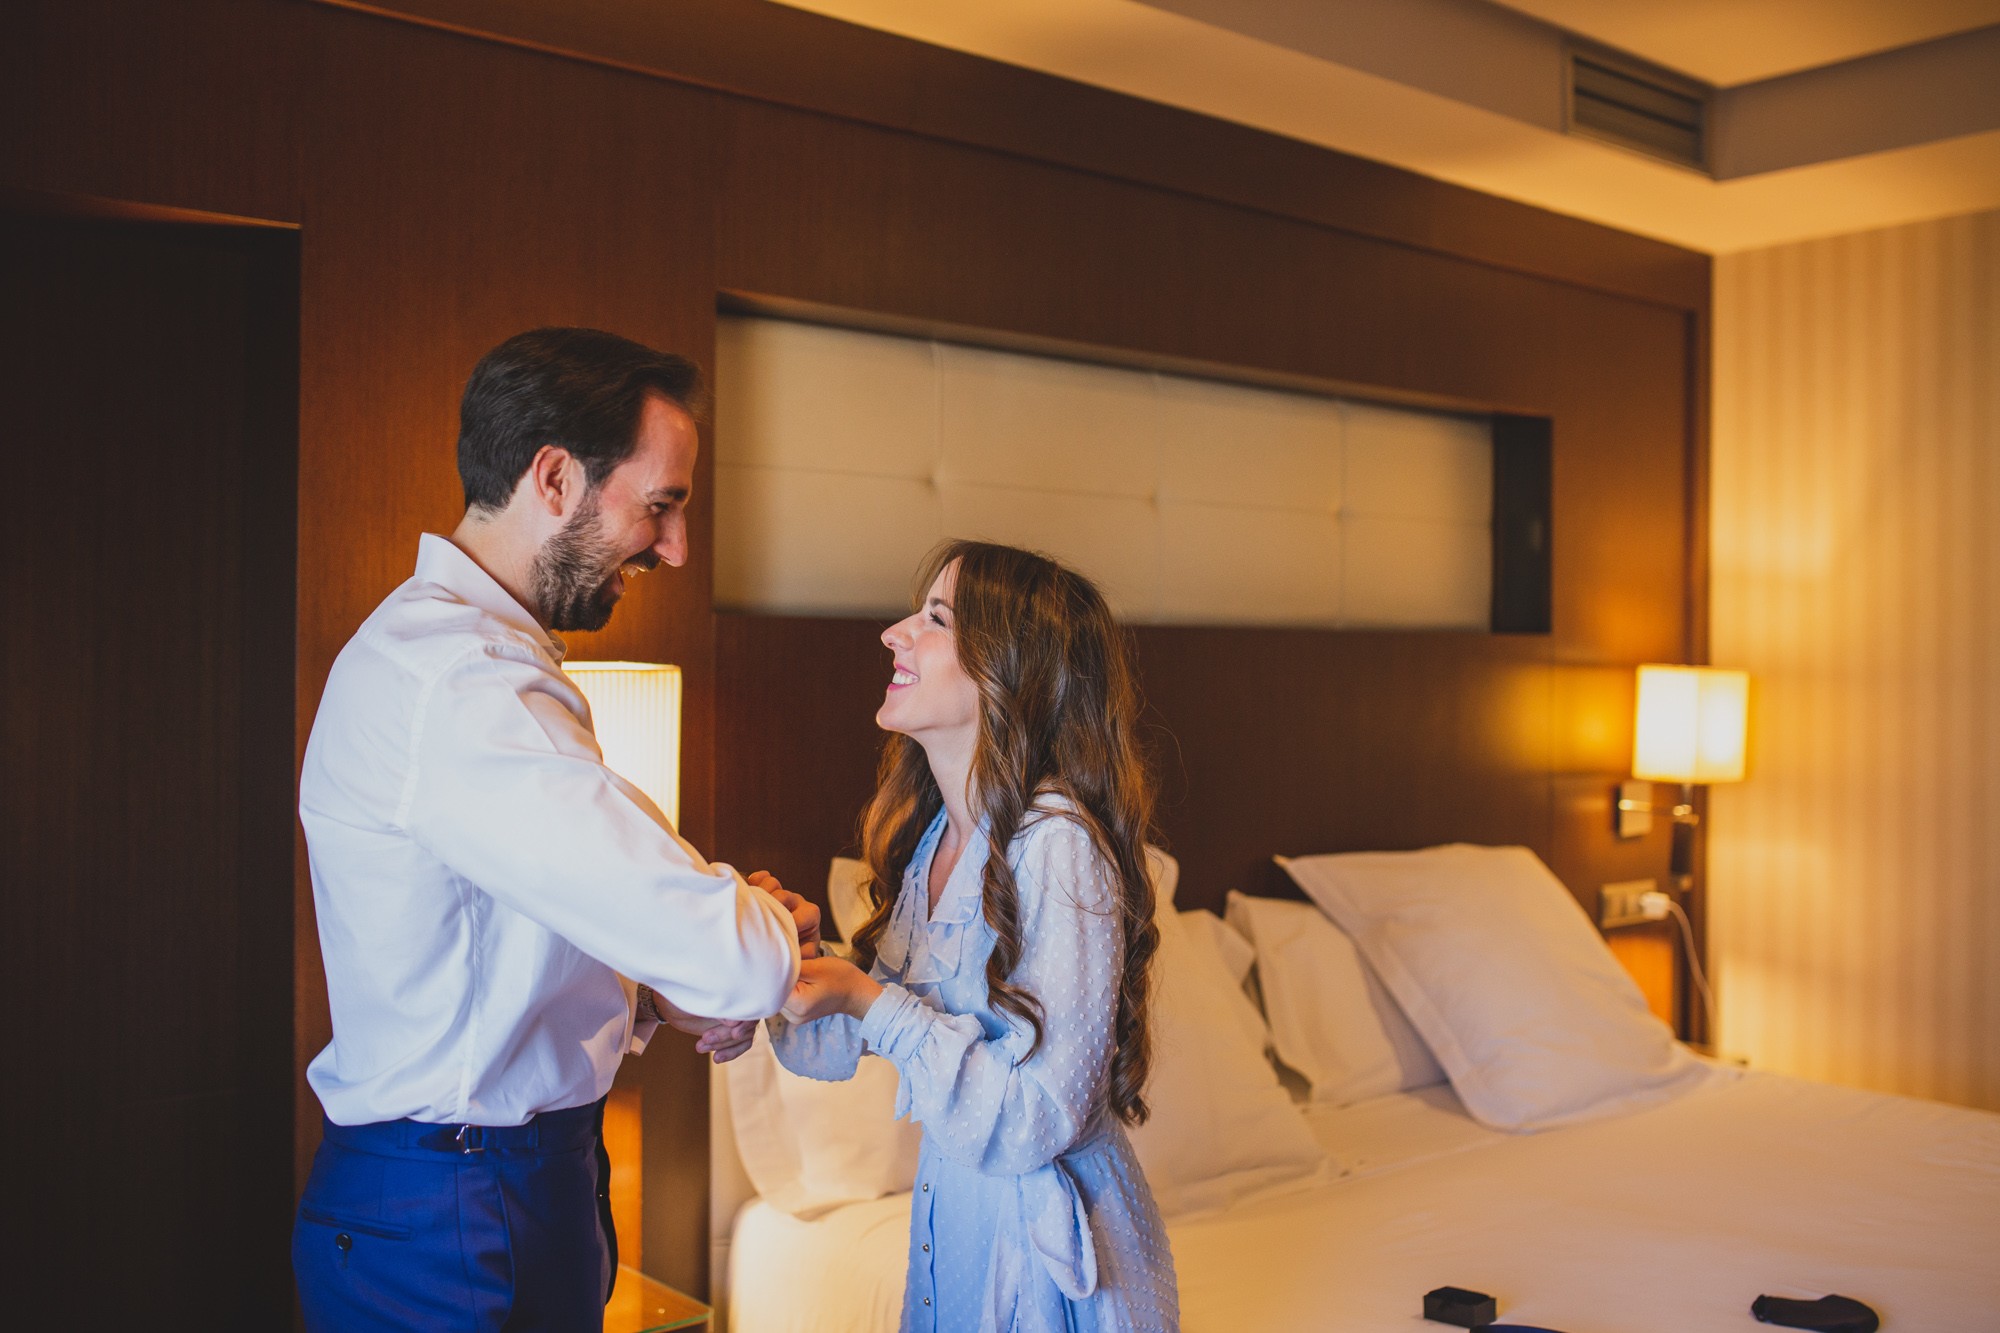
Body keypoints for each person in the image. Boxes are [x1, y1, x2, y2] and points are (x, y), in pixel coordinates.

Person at [294, 327, 818, 1331]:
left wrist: (660, 987)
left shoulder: (476, 665)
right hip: (451, 1212)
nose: (675, 547)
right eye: (660, 504)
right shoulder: (460, 684)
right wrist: (756, 932)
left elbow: (508, 937)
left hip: (509, 1187)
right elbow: (739, 960)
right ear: (553, 477)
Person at [772, 540, 1180, 1331]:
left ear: (1008, 671)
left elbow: (1037, 1116)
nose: (894, 633)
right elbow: (844, 1038)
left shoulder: (1057, 845)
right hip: (959, 1233)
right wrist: (784, 956)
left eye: (935, 618)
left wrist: (867, 998)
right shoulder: (938, 841)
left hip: (1050, 1276)